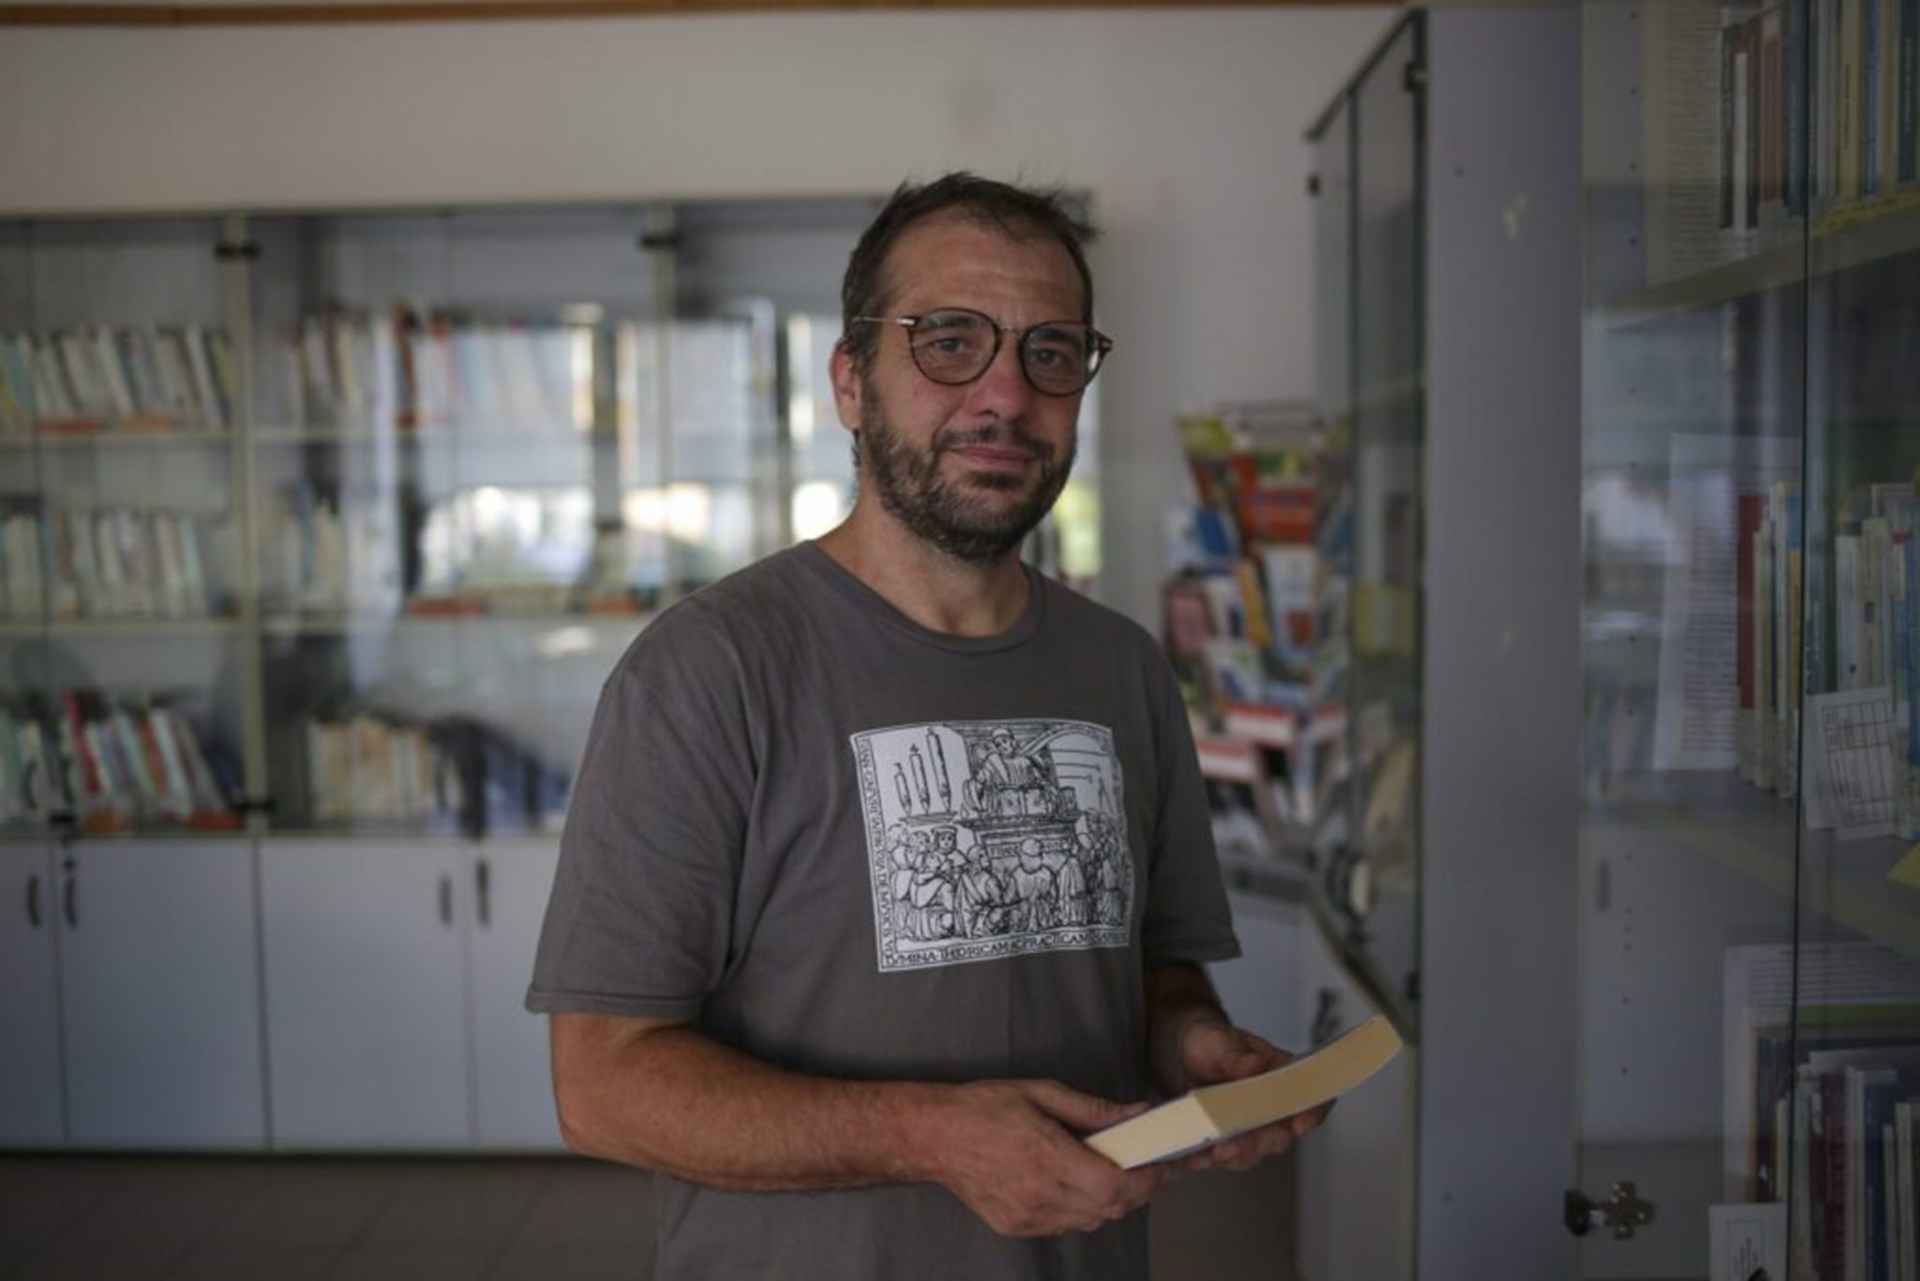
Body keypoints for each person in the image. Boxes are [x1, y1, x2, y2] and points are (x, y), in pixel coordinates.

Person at [526, 171, 1323, 1280]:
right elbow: (601, 1086)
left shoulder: (1123, 669)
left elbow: (1151, 970)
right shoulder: (706, 673)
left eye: (1050, 352)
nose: (1006, 395)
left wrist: (1194, 1044)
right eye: (949, 342)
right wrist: (931, 1136)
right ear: (851, 382)